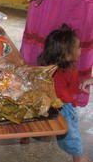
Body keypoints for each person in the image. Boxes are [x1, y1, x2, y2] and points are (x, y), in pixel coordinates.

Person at [15, 0, 93, 106]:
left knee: (65, 59)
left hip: (75, 6)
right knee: (38, 65)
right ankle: (34, 104)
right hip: (43, 4)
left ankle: (64, 109)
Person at [38, 24, 93, 162]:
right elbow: (61, 93)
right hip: (64, 107)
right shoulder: (63, 71)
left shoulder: (56, 66)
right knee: (72, 134)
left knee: (68, 132)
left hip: (57, 103)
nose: (81, 49)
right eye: (78, 47)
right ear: (67, 55)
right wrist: (72, 101)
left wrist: (80, 85)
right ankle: (78, 157)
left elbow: (69, 86)